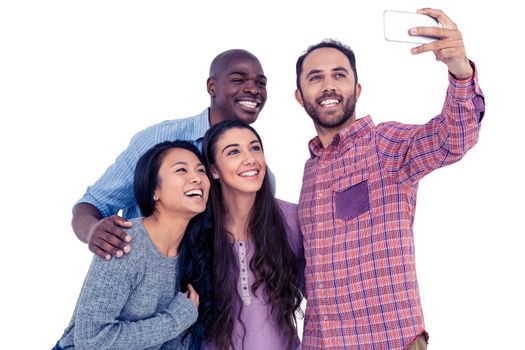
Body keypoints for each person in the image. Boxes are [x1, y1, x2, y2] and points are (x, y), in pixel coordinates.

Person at [294, 8, 485, 350]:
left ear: (357, 87)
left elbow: (453, 139)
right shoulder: (310, 171)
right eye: (315, 77)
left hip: (388, 341)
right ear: (300, 96)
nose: (329, 86)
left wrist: (460, 71)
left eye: (339, 75)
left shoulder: (385, 145)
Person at [71, 49, 267, 261]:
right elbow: (93, 203)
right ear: (212, 87)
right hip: (144, 278)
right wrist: (93, 231)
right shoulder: (158, 140)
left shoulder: (254, 172)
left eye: (261, 83)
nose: (253, 90)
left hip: (204, 290)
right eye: (238, 80)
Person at [53, 140, 213, 350]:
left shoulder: (192, 251)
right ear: (154, 190)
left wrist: (179, 322)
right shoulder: (125, 241)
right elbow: (92, 341)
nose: (197, 178)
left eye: (201, 170)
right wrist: (175, 320)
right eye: (181, 170)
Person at [201, 120, 305, 350]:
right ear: (214, 170)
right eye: (234, 151)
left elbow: (324, 294)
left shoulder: (293, 218)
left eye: (255, 148)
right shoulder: (198, 230)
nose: (250, 159)